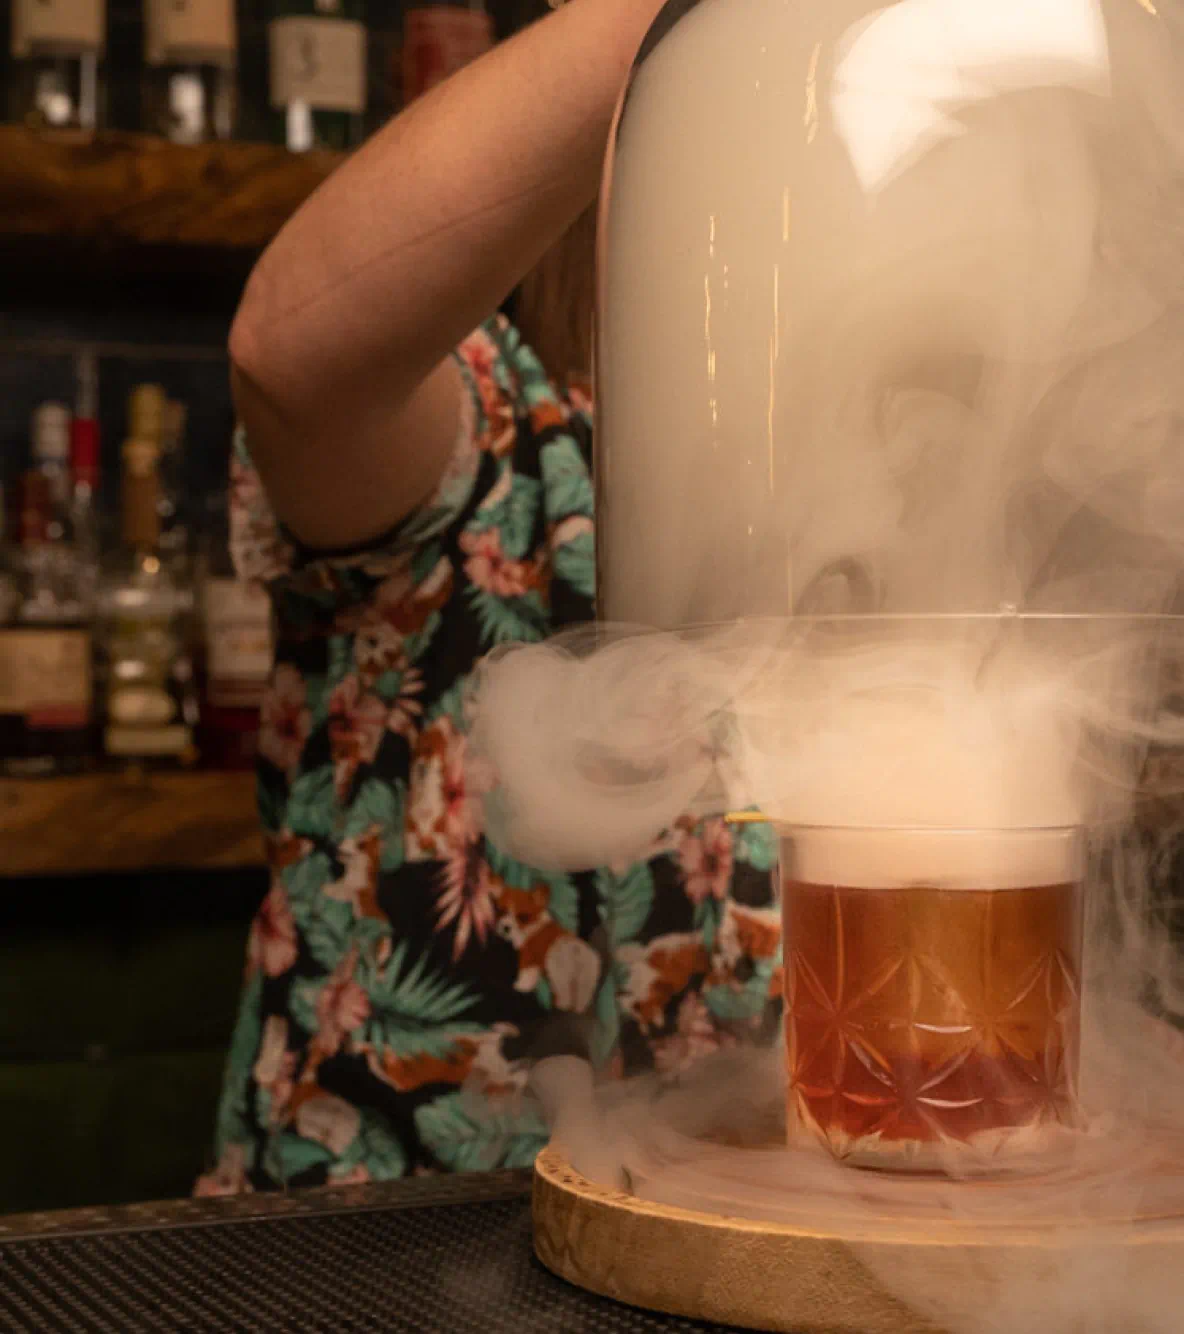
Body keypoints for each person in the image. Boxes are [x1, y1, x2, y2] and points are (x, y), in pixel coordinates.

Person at [194, 0, 780, 1193]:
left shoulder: (831, 510)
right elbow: (290, 354)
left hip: (734, 1261)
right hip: (374, 1266)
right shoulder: (494, 436)